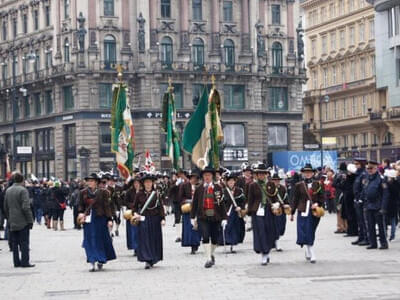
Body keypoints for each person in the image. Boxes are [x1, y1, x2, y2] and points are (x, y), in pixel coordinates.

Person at [78, 173, 116, 272]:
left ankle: (101, 259)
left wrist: (109, 219)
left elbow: (106, 206)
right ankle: (92, 260)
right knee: (89, 240)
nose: (90, 183)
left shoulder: (103, 192)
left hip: (100, 218)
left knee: (100, 239)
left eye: (92, 181)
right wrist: (81, 214)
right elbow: (80, 205)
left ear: (96, 182)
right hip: (88, 219)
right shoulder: (83, 192)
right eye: (88, 181)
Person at [191, 166, 227, 268]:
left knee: (215, 238)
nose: (207, 177)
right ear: (203, 176)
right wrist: (192, 217)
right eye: (205, 175)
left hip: (215, 216)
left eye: (209, 175)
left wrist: (224, 218)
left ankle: (211, 254)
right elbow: (194, 203)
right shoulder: (199, 189)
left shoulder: (218, 188)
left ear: (212, 176)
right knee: (205, 236)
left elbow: (222, 204)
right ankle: (208, 259)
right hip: (203, 216)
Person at [290, 163, 324, 263]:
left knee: (311, 230)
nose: (308, 174)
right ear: (303, 173)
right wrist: (292, 212)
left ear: (313, 173)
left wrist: (317, 204)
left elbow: (322, 197)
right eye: (306, 172)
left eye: (310, 172)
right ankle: (311, 251)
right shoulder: (299, 185)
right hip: (303, 210)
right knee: (306, 230)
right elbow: (295, 199)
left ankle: (308, 248)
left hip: (314, 211)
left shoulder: (318, 184)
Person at [247, 164, 278, 265]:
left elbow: (274, 198)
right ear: (256, 175)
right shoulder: (253, 185)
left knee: (269, 231)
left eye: (263, 173)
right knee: (260, 232)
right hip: (257, 212)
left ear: (266, 174)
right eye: (259, 174)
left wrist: (276, 206)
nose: (261, 175)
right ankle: (263, 255)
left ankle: (267, 251)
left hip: (269, 211)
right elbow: (250, 200)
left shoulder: (271, 184)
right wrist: (249, 213)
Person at [133, 173, 165, 269]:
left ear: (152, 183)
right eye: (146, 182)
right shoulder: (139, 194)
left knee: (154, 239)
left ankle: (153, 258)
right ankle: (147, 259)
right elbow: (134, 207)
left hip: (155, 219)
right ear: (143, 183)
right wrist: (135, 214)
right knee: (145, 239)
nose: (148, 184)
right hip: (143, 219)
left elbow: (160, 207)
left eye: (149, 182)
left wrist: (162, 218)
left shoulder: (157, 194)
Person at [3, 172, 34, 268]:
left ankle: (16, 262)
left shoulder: (8, 190)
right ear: (22, 180)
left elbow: (5, 206)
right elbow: (26, 207)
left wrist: (9, 217)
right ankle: (25, 262)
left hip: (12, 220)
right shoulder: (23, 190)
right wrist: (30, 220)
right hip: (22, 221)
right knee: (24, 242)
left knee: (15, 243)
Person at [362, 161, 389, 250]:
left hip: (378, 206)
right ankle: (373, 243)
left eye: (371, 168)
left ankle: (383, 243)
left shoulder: (381, 178)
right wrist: (364, 203)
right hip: (369, 205)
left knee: (381, 226)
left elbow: (385, 194)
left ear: (376, 168)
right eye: (368, 168)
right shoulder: (367, 178)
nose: (369, 170)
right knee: (370, 226)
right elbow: (365, 191)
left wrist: (383, 207)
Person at [218, 171, 246, 253]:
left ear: (235, 182)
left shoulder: (239, 190)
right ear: (226, 182)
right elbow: (220, 203)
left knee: (235, 228)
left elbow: (243, 200)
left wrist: (240, 207)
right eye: (229, 181)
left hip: (236, 213)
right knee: (226, 228)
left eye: (232, 181)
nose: (231, 183)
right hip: (227, 212)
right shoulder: (223, 191)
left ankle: (232, 245)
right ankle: (226, 243)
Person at [179, 169, 202, 255]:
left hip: (197, 210)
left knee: (196, 228)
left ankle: (196, 244)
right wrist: (187, 201)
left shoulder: (200, 187)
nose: (194, 180)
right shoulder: (184, 186)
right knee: (189, 228)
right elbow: (180, 198)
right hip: (188, 209)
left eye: (196, 178)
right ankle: (191, 244)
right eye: (192, 178)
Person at [352, 158, 369, 246]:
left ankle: (366, 238)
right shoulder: (358, 174)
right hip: (357, 199)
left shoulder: (364, 174)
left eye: (357, 164)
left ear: (361, 164)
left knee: (363, 220)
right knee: (359, 220)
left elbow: (364, 188)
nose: (355, 165)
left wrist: (360, 198)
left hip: (362, 200)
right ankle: (361, 236)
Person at [271, 173, 289, 251]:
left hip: (282, 209)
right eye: (274, 180)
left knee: (282, 227)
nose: (276, 182)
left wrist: (287, 204)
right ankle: (277, 242)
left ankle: (276, 239)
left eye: (277, 180)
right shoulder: (270, 188)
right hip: (273, 210)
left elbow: (286, 198)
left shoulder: (283, 188)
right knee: (276, 227)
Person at [125, 176, 141, 255]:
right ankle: (135, 247)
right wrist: (133, 205)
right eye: (135, 183)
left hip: (141, 213)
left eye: (138, 183)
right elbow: (126, 202)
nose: (136, 184)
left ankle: (141, 247)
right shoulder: (129, 192)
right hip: (132, 213)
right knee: (133, 232)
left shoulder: (142, 191)